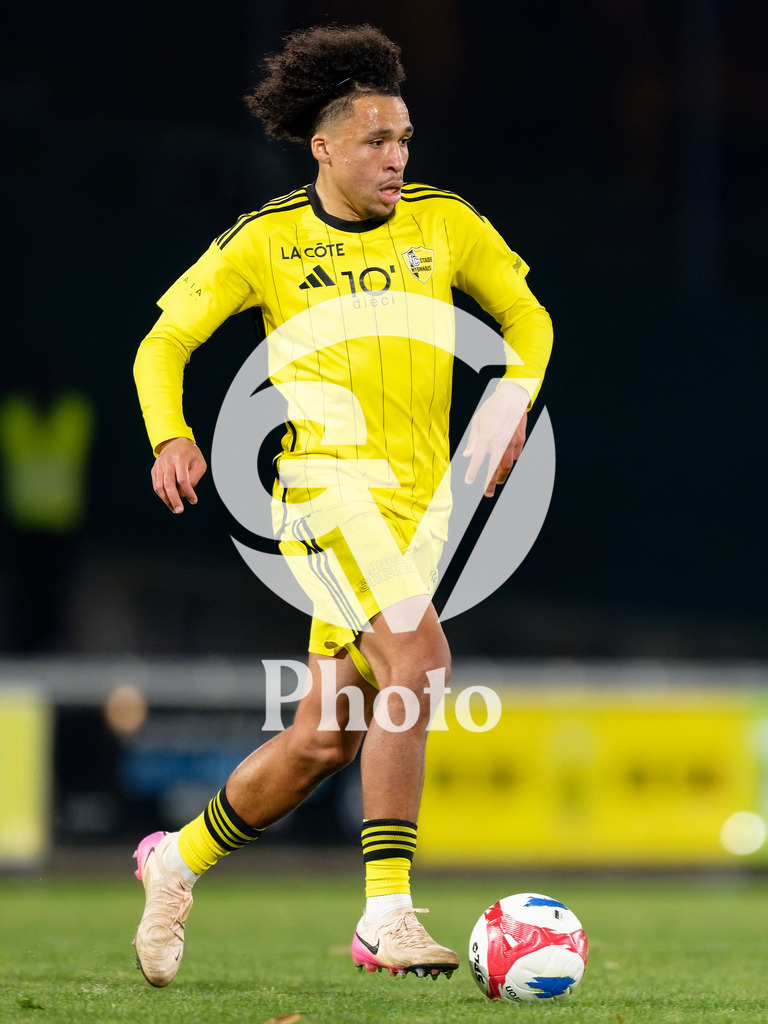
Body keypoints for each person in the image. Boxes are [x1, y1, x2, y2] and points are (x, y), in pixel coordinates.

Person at [132, 23, 553, 988]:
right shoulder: (266, 241)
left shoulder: (444, 221)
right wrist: (171, 432)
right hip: (324, 497)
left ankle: (176, 859)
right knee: (420, 655)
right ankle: (388, 918)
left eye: (403, 137)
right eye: (375, 139)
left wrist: (511, 393)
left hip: (422, 512)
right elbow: (163, 344)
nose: (397, 155)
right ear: (322, 146)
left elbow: (529, 316)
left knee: (325, 739)